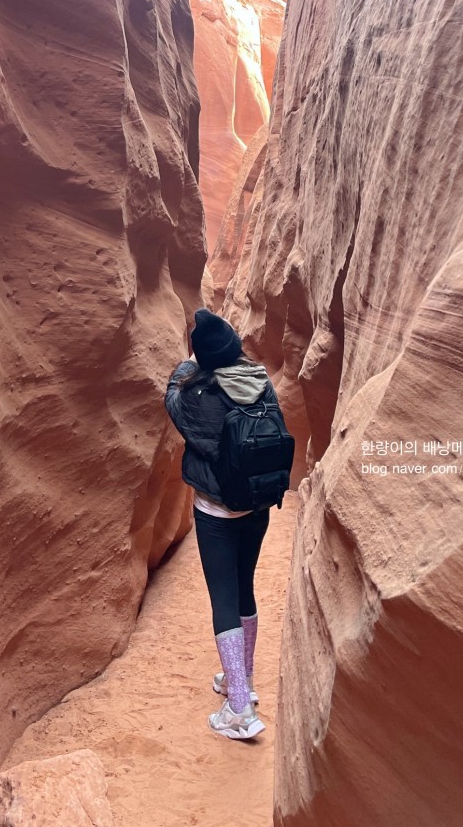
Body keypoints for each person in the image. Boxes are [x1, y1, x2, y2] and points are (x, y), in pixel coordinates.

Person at [164, 308, 274, 740]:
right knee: (246, 587)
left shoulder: (196, 396)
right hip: (258, 504)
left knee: (223, 597)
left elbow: (172, 396)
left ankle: (240, 709)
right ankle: (240, 680)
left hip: (215, 513)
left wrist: (190, 363)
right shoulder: (260, 382)